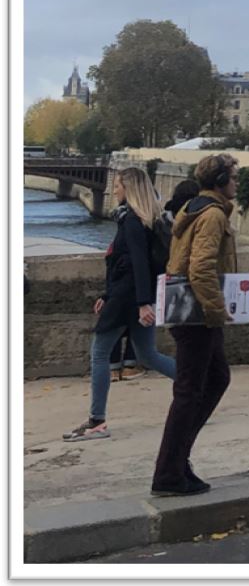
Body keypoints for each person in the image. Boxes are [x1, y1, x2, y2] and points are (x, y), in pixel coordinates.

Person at [62, 167, 177, 442]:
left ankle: (97, 421)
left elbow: (137, 264)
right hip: (131, 296)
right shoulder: (142, 220)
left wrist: (141, 304)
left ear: (129, 189)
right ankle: (196, 386)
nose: (113, 190)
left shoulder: (132, 222)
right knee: (147, 355)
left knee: (100, 354)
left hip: (128, 299)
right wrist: (107, 293)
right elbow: (125, 264)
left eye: (117, 186)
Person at [151, 154, 239, 496]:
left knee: (214, 379)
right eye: (232, 177)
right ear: (219, 181)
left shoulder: (193, 209)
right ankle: (169, 473)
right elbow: (201, 268)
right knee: (189, 392)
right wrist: (216, 309)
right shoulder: (213, 214)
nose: (236, 183)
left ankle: (177, 463)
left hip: (189, 311)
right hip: (197, 314)